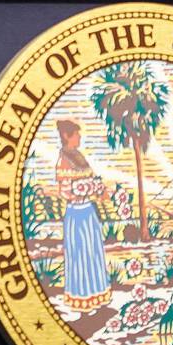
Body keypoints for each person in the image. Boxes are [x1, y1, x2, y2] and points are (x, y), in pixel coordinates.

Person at [55, 120, 110, 311]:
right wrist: (85, 191)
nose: (79, 137)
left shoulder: (79, 157)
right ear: (66, 137)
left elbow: (92, 179)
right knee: (80, 253)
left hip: (88, 211)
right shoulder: (64, 160)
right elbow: (64, 191)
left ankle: (96, 294)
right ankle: (81, 296)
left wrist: (99, 189)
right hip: (77, 213)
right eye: (76, 134)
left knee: (92, 251)